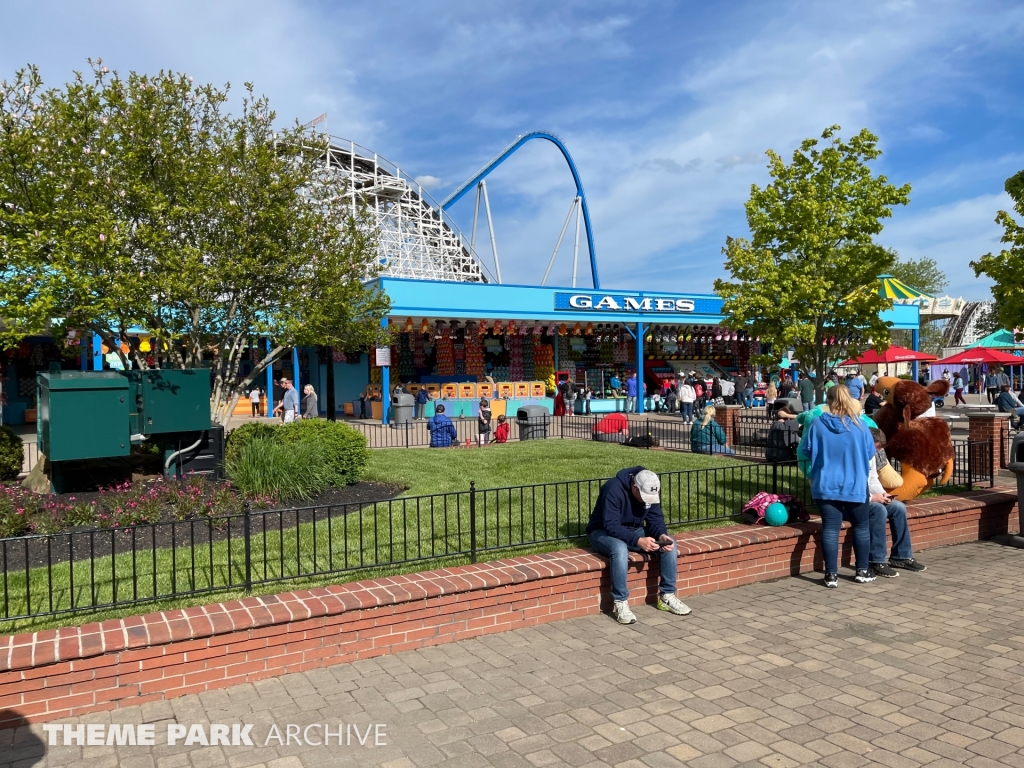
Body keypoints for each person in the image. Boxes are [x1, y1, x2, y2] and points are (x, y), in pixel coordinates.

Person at [586, 467, 692, 624]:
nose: (646, 500)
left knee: (670, 543)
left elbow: (655, 518)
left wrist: (661, 534)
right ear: (634, 486)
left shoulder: (651, 488)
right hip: (602, 532)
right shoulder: (612, 489)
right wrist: (638, 541)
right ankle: (620, 602)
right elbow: (611, 526)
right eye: (643, 496)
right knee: (620, 549)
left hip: (634, 530)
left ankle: (667, 595)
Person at [801, 384, 876, 588]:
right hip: (855, 483)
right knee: (861, 526)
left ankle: (831, 575)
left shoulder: (817, 424)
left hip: (826, 482)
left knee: (830, 529)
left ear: (829, 400)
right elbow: (870, 453)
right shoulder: (860, 426)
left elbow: (806, 450)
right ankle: (862, 570)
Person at [867, 428, 927, 578]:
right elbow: (849, 485)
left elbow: (873, 478)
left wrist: (882, 493)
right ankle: (876, 560)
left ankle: (901, 556)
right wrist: (872, 498)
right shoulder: (854, 454)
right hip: (857, 499)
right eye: (877, 447)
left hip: (871, 494)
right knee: (879, 510)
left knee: (898, 507)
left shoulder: (872, 455)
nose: (878, 451)